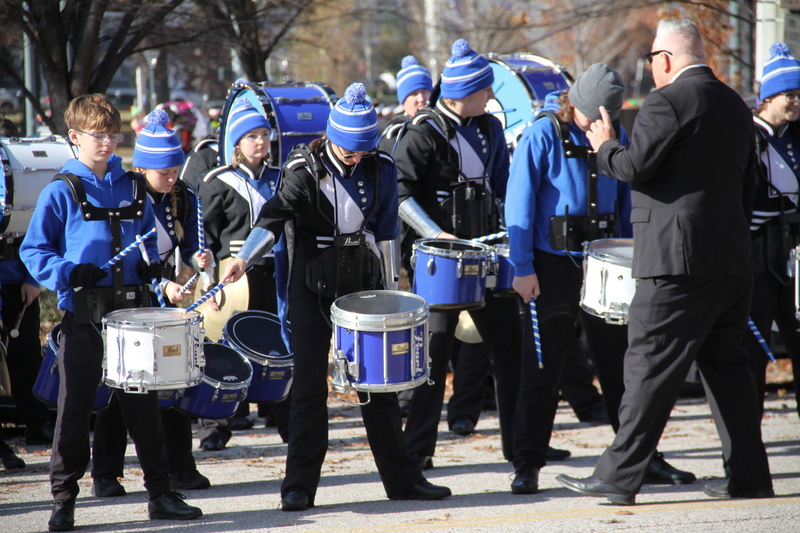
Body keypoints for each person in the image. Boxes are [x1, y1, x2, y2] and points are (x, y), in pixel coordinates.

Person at [555, 19, 773, 504]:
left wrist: (605, 144)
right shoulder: (735, 104)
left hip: (677, 264)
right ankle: (750, 476)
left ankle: (616, 475)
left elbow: (633, 167)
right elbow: (748, 187)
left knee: (649, 366)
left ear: (668, 59)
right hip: (732, 261)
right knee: (729, 374)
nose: (652, 66)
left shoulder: (667, 101)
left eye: (653, 57)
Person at [220, 82, 452, 511]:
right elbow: (273, 216)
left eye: (363, 150)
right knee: (309, 388)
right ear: (332, 137)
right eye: (350, 151)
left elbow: (385, 232)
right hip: (311, 285)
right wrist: (245, 259)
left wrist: (392, 292)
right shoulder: (302, 169)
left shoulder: (380, 166)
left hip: (362, 282)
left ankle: (402, 480)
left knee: (377, 383)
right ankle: (299, 486)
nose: (357, 158)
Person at [506, 63, 695, 495]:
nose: (602, 126)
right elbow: (518, 202)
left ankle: (641, 459)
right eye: (596, 116)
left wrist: (635, 257)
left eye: (609, 117)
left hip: (606, 263)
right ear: (578, 105)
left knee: (623, 367)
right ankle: (527, 462)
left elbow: (629, 198)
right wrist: (522, 268)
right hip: (551, 265)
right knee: (542, 366)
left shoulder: (615, 134)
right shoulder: (543, 134)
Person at [19, 94, 202, 532]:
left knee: (144, 408)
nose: (106, 143)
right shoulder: (60, 190)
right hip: (83, 315)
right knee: (75, 411)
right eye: (97, 136)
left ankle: (160, 494)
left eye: (113, 135)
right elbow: (34, 250)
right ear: (75, 137)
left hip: (134, 316)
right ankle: (64, 501)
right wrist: (67, 271)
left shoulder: (135, 187)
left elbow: (147, 248)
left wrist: (156, 272)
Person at [391, 39, 524, 471]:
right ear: (464, 92)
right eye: (485, 90)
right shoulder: (422, 132)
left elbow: (504, 188)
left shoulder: (489, 127)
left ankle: (522, 447)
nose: (491, 97)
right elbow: (399, 195)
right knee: (431, 361)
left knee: (509, 353)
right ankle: (418, 452)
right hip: (439, 262)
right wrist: (437, 234)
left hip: (486, 252)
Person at [90, 109, 212, 497]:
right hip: (127, 294)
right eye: (165, 172)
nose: (173, 178)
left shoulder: (184, 195)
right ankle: (105, 474)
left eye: (176, 169)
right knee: (121, 384)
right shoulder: (127, 193)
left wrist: (198, 262)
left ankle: (180, 468)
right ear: (142, 167)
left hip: (161, 297)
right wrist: (163, 286)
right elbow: (133, 255)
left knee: (172, 383)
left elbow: (192, 246)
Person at [196, 97, 289, 450]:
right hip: (232, 279)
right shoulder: (217, 181)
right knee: (225, 349)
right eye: (252, 136)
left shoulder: (282, 178)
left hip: (274, 274)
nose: (261, 142)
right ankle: (215, 427)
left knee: (277, 347)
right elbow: (203, 236)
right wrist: (207, 279)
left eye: (265, 135)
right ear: (237, 142)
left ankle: (285, 422)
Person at [748, 42, 800, 420]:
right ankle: (747, 449)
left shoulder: (796, 134)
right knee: (751, 355)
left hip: (793, 259)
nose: (796, 101)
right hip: (757, 261)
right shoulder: (746, 136)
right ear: (767, 97)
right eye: (789, 94)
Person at [0, 117, 54, 447]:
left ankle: (36, 422)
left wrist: (34, 279)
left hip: (19, 284)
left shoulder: (25, 186)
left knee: (25, 356)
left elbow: (40, 235)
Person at [378, 55, 434, 153]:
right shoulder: (393, 135)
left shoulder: (444, 127)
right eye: (413, 94)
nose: (421, 99)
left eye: (425, 91)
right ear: (403, 101)